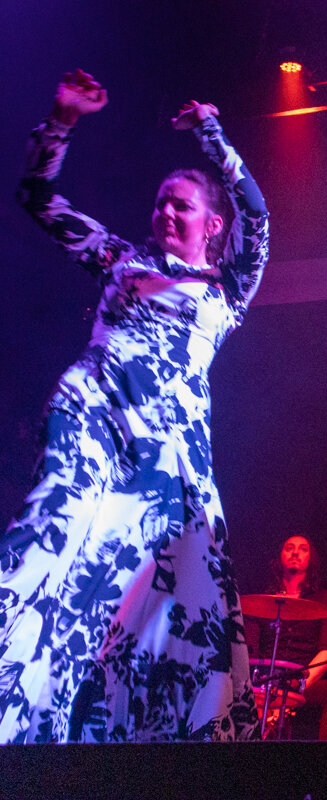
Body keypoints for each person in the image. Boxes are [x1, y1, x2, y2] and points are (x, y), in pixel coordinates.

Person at [0, 70, 269, 742]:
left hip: (168, 457)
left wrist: (213, 135)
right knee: (49, 539)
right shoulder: (120, 258)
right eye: (160, 204)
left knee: (167, 604)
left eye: (182, 206)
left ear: (213, 224)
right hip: (93, 413)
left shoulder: (225, 288)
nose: (166, 214)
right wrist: (62, 120)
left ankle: (124, 747)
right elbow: (36, 196)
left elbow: (258, 215)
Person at [245, 535, 327, 740]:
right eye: (289, 548)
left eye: (303, 549)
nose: (295, 552)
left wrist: (299, 685)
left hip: (303, 679)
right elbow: (249, 650)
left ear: (312, 559)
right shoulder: (262, 601)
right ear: (279, 557)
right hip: (267, 678)